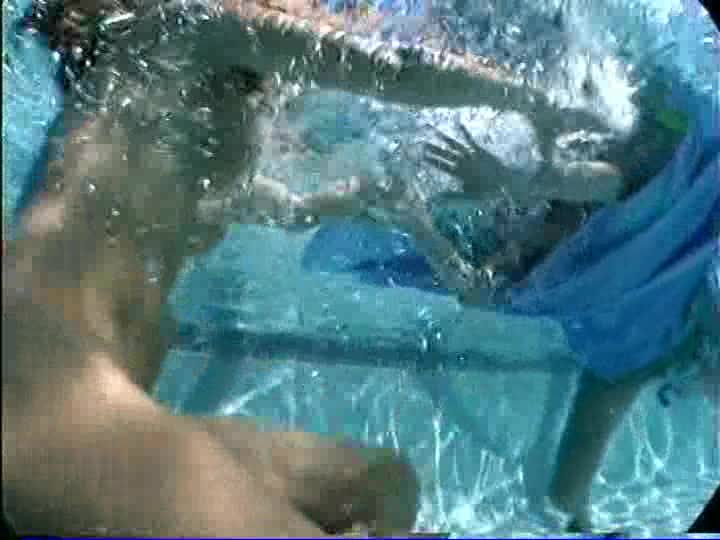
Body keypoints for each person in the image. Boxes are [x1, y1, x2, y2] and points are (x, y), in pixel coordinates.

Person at [302, 3, 719, 532]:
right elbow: (620, 182)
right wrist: (517, 180)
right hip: (591, 150)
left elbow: (484, 287)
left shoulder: (634, 353)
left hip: (537, 192)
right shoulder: (687, 235)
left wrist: (420, 220)